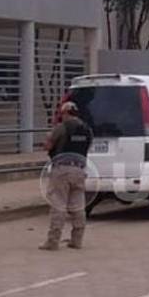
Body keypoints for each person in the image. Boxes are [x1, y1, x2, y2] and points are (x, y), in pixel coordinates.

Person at [40, 101, 93, 251]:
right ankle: (77, 240)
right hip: (79, 169)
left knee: (58, 204)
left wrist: (48, 138)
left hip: (62, 169)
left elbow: (48, 146)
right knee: (78, 206)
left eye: (61, 114)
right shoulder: (87, 129)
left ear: (65, 113)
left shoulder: (62, 128)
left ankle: (53, 241)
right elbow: (87, 147)